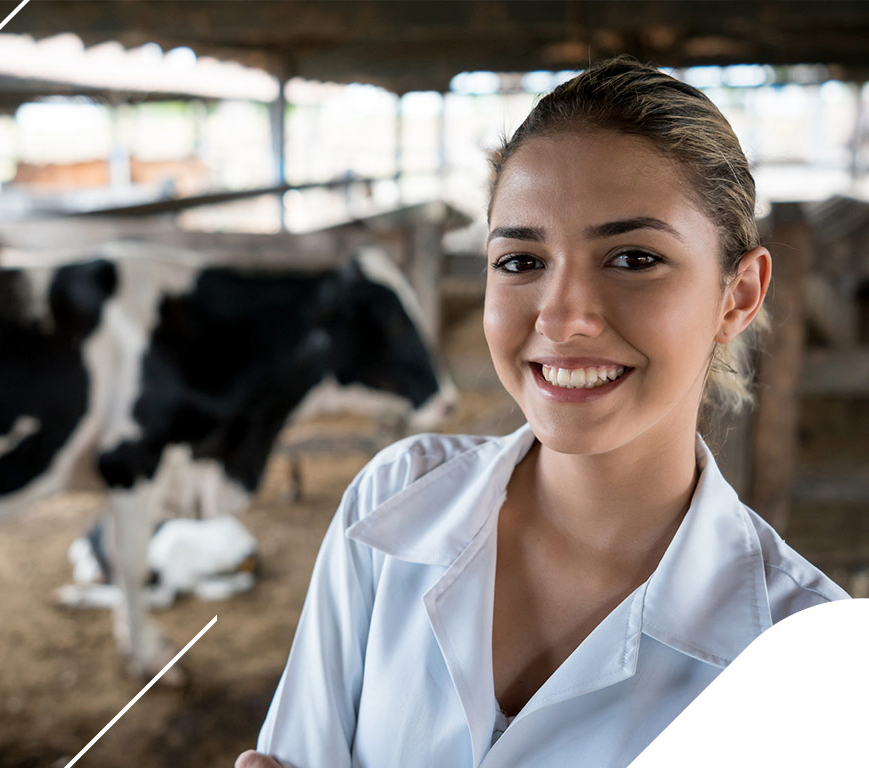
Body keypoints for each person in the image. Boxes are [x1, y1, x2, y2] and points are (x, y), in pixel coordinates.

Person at [235, 57, 850, 768]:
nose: (561, 319)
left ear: (738, 296)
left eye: (632, 259)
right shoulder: (392, 504)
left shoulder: (803, 661)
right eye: (522, 261)